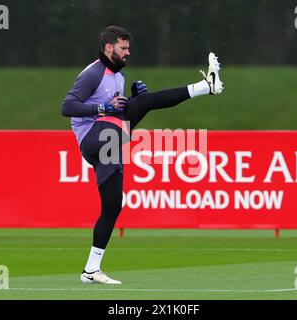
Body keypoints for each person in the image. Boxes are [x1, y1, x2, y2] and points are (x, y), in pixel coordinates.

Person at [61, 26, 223, 284]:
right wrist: (108, 106)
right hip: (93, 140)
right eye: (123, 48)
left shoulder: (118, 76)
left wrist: (132, 99)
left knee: (113, 206)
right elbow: (67, 107)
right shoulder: (93, 73)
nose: (127, 52)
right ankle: (205, 86)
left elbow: (117, 109)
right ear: (108, 48)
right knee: (145, 103)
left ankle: (91, 270)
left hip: (107, 142)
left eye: (128, 48)